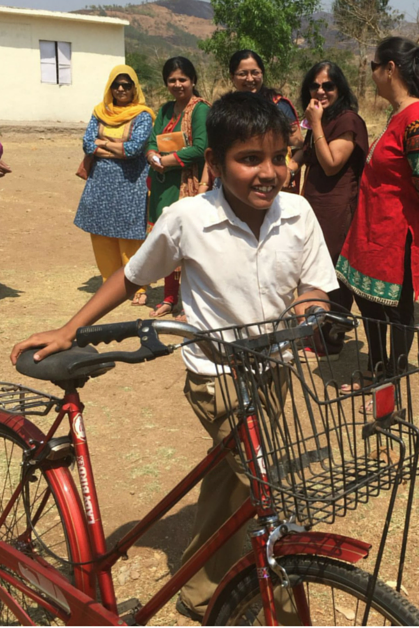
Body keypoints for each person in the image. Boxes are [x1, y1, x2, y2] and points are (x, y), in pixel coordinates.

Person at [11, 91, 336, 622]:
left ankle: (200, 589)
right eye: (249, 158)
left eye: (278, 157)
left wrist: (311, 302)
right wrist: (73, 327)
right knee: (265, 487)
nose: (269, 172)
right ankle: (271, 600)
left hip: (276, 369)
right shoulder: (186, 217)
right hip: (218, 375)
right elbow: (132, 275)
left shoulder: (297, 213)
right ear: (214, 163)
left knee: (232, 483)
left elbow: (317, 286)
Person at [337, 37, 419, 378]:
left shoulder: (418, 117)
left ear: (390, 68)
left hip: (397, 233)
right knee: (369, 303)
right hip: (375, 228)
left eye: (373, 66)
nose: (372, 74)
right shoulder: (399, 112)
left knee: (397, 310)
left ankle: (391, 382)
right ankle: (375, 368)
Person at [295, 60, 368, 356]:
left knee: (334, 270)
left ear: (340, 89)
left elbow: (331, 164)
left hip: (338, 207)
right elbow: (309, 152)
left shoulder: (348, 121)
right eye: (315, 85)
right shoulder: (323, 119)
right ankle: (315, 330)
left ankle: (332, 337)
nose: (321, 91)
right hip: (315, 203)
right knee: (313, 266)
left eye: (328, 86)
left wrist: (314, 123)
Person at [74, 64, 156, 309]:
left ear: (134, 88)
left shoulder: (143, 115)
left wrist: (103, 143)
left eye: (126, 85)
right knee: (100, 234)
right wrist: (116, 145)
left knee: (130, 236)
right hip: (100, 183)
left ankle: (138, 286)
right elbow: (87, 144)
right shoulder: (100, 112)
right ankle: (109, 285)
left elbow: (133, 150)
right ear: (110, 87)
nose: (121, 89)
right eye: (116, 85)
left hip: (130, 184)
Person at [146, 56, 211, 319]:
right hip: (162, 186)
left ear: (193, 80)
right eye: (171, 80)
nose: (177, 84)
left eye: (182, 79)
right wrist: (152, 157)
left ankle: (189, 303)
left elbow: (201, 147)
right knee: (166, 241)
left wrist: (167, 161)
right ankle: (169, 298)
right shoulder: (164, 110)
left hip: (187, 184)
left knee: (188, 244)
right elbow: (152, 141)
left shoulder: (201, 110)